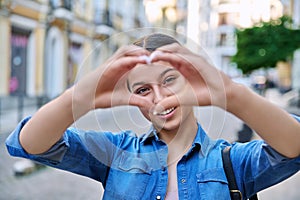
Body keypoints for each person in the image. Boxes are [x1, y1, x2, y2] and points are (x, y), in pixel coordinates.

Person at [6, 33, 300, 200]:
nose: (159, 98)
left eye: (170, 80)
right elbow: (30, 143)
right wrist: (80, 98)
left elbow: (293, 148)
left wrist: (231, 95)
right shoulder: (117, 152)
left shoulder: (231, 162)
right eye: (144, 89)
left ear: (192, 81)